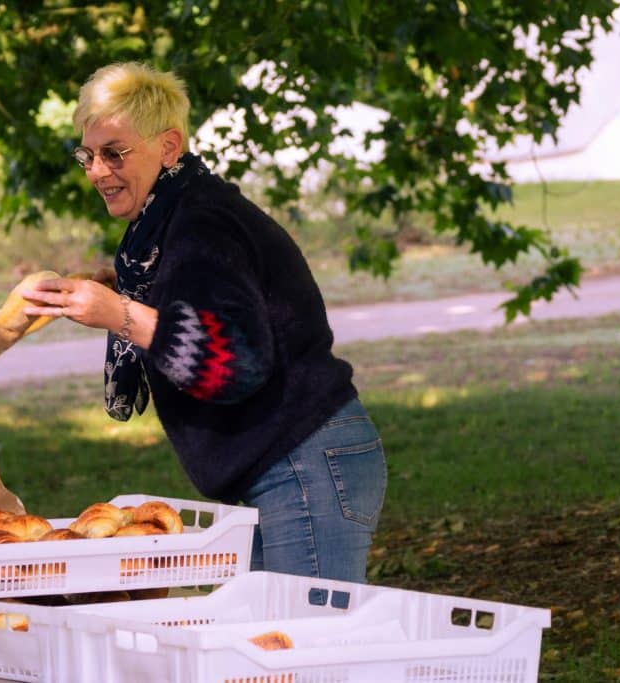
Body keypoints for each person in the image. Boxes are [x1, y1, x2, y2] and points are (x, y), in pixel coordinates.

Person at [22, 62, 386, 583]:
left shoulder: (200, 225)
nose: (97, 171)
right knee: (266, 651)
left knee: (304, 655)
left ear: (168, 147)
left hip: (305, 464)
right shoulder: (165, 223)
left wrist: (120, 315)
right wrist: (122, 293)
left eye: (114, 153)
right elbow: (191, 307)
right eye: (88, 154)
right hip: (287, 466)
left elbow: (235, 361)